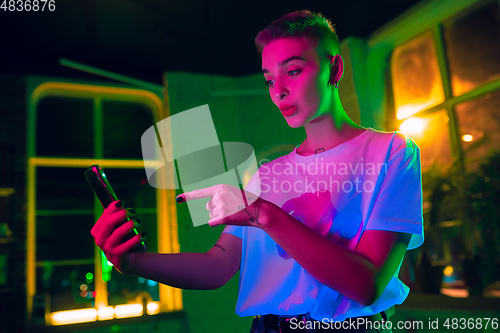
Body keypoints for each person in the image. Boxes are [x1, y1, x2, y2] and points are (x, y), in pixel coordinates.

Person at [91, 10, 423, 333]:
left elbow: (367, 285)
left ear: (333, 68)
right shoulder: (266, 175)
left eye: (292, 71)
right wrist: (132, 262)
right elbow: (216, 266)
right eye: (269, 80)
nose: (278, 91)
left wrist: (261, 213)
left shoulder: (391, 152)